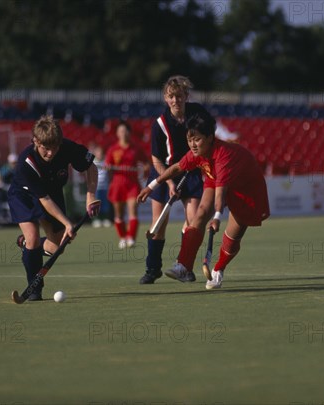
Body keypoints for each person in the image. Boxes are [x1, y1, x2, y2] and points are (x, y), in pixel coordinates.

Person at [137, 110, 270, 290]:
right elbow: (177, 168)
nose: (192, 144)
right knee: (200, 213)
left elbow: (221, 195)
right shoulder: (197, 153)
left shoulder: (223, 156)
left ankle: (218, 269)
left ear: (210, 137)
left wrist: (216, 216)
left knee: (232, 238)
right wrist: (151, 186)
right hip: (213, 177)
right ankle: (183, 266)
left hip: (246, 189)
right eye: (189, 140)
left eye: (197, 139)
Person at [8, 115, 100, 301]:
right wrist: (68, 223)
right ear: (35, 141)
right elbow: (44, 200)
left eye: (55, 148)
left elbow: (91, 167)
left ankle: (26, 246)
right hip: (24, 195)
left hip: (52, 191)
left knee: (58, 245)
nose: (51, 153)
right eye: (46, 148)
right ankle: (35, 288)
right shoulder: (27, 162)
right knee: (33, 237)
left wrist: (90, 196)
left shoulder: (66, 147)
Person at [139, 75, 210, 284]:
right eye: (171, 96)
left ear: (186, 96)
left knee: (193, 220)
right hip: (164, 172)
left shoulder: (197, 113)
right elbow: (156, 159)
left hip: (192, 172)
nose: (175, 100)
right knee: (158, 225)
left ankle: (184, 267)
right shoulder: (159, 125)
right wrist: (169, 182)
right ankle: (153, 269)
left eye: (179, 96)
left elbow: (209, 135)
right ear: (165, 98)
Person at [105, 121, 149, 248]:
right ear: (117, 134)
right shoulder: (113, 149)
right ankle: (122, 237)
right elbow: (108, 164)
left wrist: (145, 168)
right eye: (121, 131)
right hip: (117, 185)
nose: (123, 134)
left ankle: (131, 237)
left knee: (132, 211)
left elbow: (146, 163)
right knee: (118, 214)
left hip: (133, 184)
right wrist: (108, 168)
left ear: (129, 133)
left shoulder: (136, 148)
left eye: (125, 131)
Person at [91, 144, 112, 228]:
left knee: (105, 205)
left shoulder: (106, 162)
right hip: (96, 188)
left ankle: (105, 219)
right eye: (98, 152)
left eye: (101, 152)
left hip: (105, 187)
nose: (100, 154)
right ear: (95, 153)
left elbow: (109, 174)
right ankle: (96, 220)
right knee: (96, 205)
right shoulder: (93, 162)